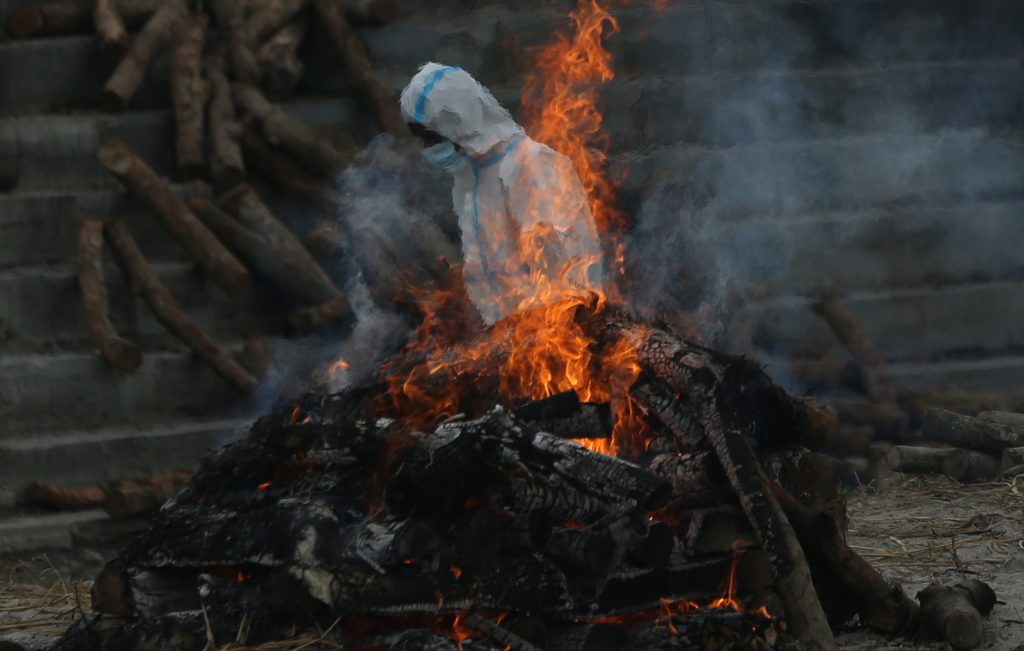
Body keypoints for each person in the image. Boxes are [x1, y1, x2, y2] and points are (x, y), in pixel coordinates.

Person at [399, 63, 605, 324]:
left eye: (430, 138)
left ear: (458, 124)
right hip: (511, 338)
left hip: (556, 335)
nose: (427, 147)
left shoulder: (530, 166)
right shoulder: (472, 178)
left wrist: (544, 331)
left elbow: (560, 265)